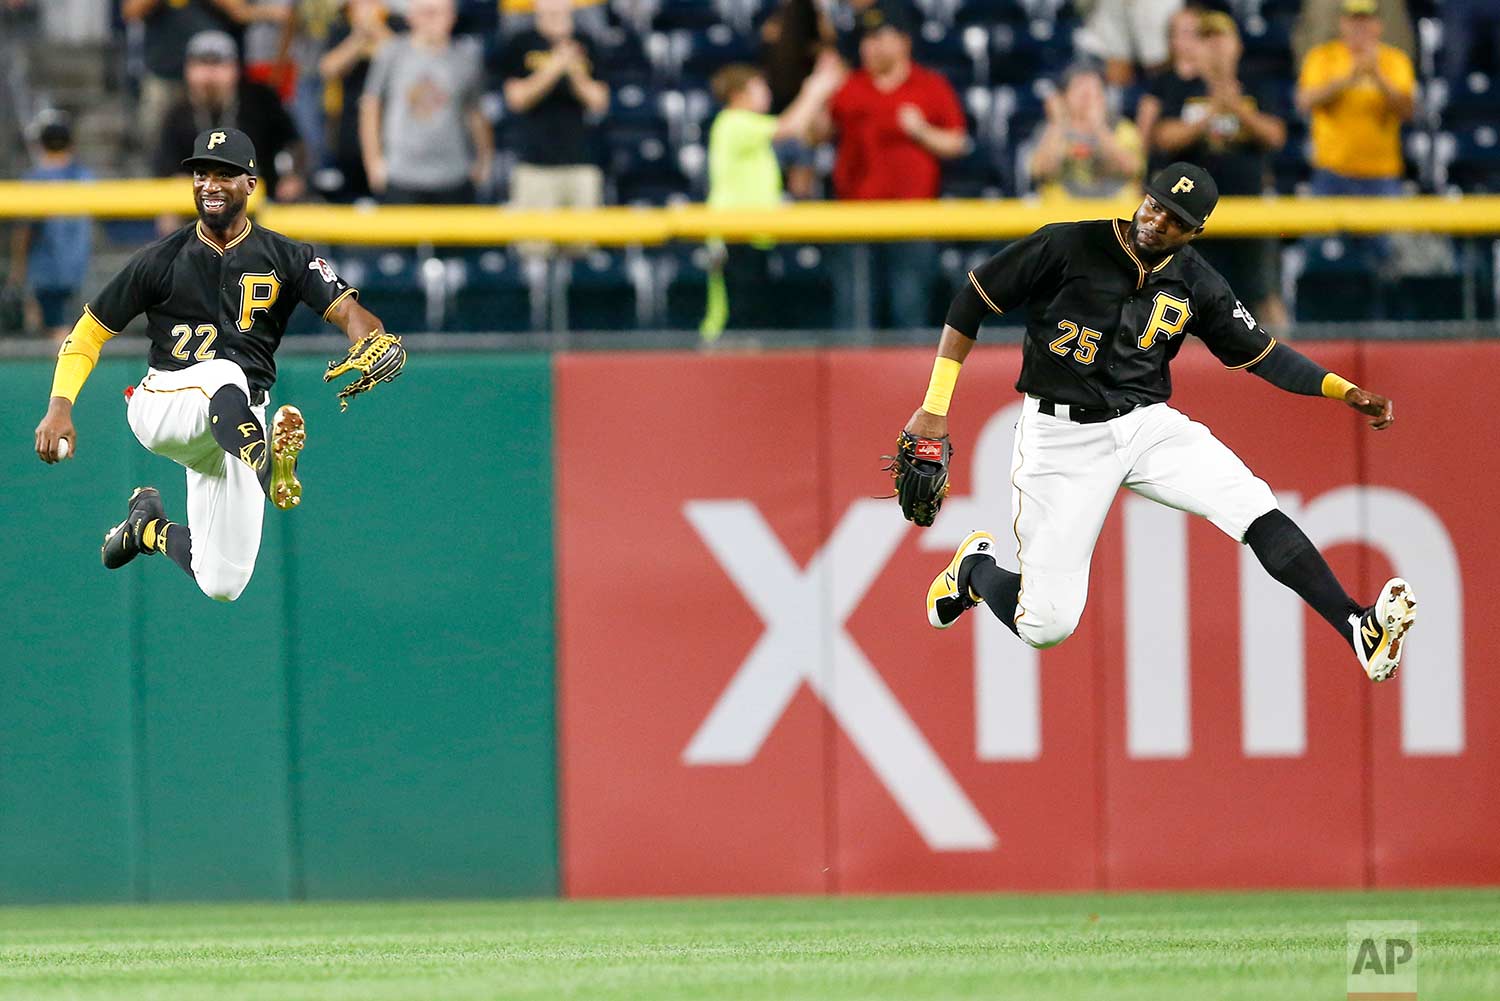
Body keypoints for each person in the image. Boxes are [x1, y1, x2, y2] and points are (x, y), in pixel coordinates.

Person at [902, 162, 1417, 685]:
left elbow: (1264, 353)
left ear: (1195, 231)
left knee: (1253, 505)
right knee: (1046, 624)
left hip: (1146, 425)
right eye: (1154, 205)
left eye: (1174, 219)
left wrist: (1342, 388)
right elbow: (971, 301)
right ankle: (973, 570)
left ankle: (1356, 624)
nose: (1156, 221)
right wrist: (936, 405)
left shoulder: (1196, 281)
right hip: (1061, 437)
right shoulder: (1069, 246)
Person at [31, 128, 399, 603]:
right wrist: (59, 406)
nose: (209, 183)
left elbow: (349, 311)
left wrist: (373, 337)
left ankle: (147, 528)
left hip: (235, 424)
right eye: (201, 173)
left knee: (222, 582)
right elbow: (87, 333)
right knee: (224, 375)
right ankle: (267, 464)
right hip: (166, 404)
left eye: (224, 174)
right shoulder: (159, 260)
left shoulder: (286, 256)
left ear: (250, 184)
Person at [825, 0, 967, 330]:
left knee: (909, 311)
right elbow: (817, 134)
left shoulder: (929, 85)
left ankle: (910, 383)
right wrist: (820, 92)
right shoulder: (850, 86)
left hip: (912, 218)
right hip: (855, 218)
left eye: (879, 36)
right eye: (866, 38)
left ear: (904, 41)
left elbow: (957, 143)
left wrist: (922, 132)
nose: (870, 45)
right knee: (853, 316)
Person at [1153, 12, 1287, 327]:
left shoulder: (1255, 84)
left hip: (1248, 209)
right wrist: (1211, 110)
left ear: (1237, 45)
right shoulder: (1182, 87)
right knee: (1190, 298)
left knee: (1263, 293)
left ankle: (1281, 364)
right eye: (1206, 38)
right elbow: (1165, 137)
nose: (1215, 47)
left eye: (1221, 38)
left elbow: (1276, 136)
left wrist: (1236, 105)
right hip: (1193, 214)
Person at [699, 52, 845, 338]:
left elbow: (804, 131)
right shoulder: (734, 122)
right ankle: (716, 354)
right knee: (733, 311)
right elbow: (789, 127)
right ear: (738, 94)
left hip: (754, 234)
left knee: (753, 307)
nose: (767, 93)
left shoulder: (747, 127)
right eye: (759, 87)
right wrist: (814, 89)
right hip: (734, 234)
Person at [154, 31, 308, 207]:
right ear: (187, 70)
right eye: (201, 65)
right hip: (201, 208)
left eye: (218, 64)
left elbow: (293, 144)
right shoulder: (178, 113)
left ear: (235, 68)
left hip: (261, 202)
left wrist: (292, 177)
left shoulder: (260, 101)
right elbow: (165, 166)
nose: (209, 76)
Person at [361, 0, 492, 203]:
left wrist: (483, 159)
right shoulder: (392, 52)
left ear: (452, 16)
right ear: (411, 16)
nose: (432, 20)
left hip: (453, 174)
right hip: (401, 174)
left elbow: (475, 112)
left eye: (439, 12)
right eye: (425, 12)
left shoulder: (465, 59)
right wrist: (373, 163)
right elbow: (371, 106)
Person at [499, 0, 610, 219]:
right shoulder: (521, 42)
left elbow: (599, 101)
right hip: (535, 163)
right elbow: (516, 99)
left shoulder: (587, 42)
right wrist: (554, 67)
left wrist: (574, 71)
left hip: (580, 161)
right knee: (534, 247)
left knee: (581, 246)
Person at [1295, 0, 1415, 198]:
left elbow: (1408, 110)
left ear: (1378, 25)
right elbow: (1304, 102)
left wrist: (1377, 76)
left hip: (1382, 174)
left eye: (1366, 20)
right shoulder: (1323, 56)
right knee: (1317, 229)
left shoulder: (1394, 60)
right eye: (1353, 21)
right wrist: (1348, 79)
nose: (1360, 27)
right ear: (1342, 24)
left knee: (1395, 228)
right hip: (1331, 173)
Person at [6, 115, 93, 341]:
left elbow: (24, 232)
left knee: (53, 334)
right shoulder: (85, 178)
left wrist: (18, 270)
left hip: (46, 272)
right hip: (79, 270)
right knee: (73, 332)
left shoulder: (35, 180)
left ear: (41, 145)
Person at [1027, 62, 1144, 199]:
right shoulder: (1050, 129)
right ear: (1064, 96)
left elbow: (1131, 170)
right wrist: (1058, 123)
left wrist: (1099, 127)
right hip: (1062, 212)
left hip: (1113, 210)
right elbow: (1041, 171)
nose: (1086, 95)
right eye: (1079, 87)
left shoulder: (1123, 128)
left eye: (1093, 88)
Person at [319, 0, 394, 198]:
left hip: (390, 126)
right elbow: (328, 68)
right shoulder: (341, 27)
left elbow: (404, 63)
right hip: (350, 125)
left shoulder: (396, 24)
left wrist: (376, 29)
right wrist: (359, 36)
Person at [1135, 5, 1207, 177]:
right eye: (1184, 32)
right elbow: (1144, 132)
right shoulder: (1160, 82)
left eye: (1196, 33)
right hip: (1169, 172)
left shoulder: (1213, 81)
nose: (1191, 40)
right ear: (1171, 39)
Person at [1075, 0, 1185, 86]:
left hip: (1162, 72)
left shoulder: (1165, 5)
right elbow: (1116, 70)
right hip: (1105, 61)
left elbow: (1156, 62)